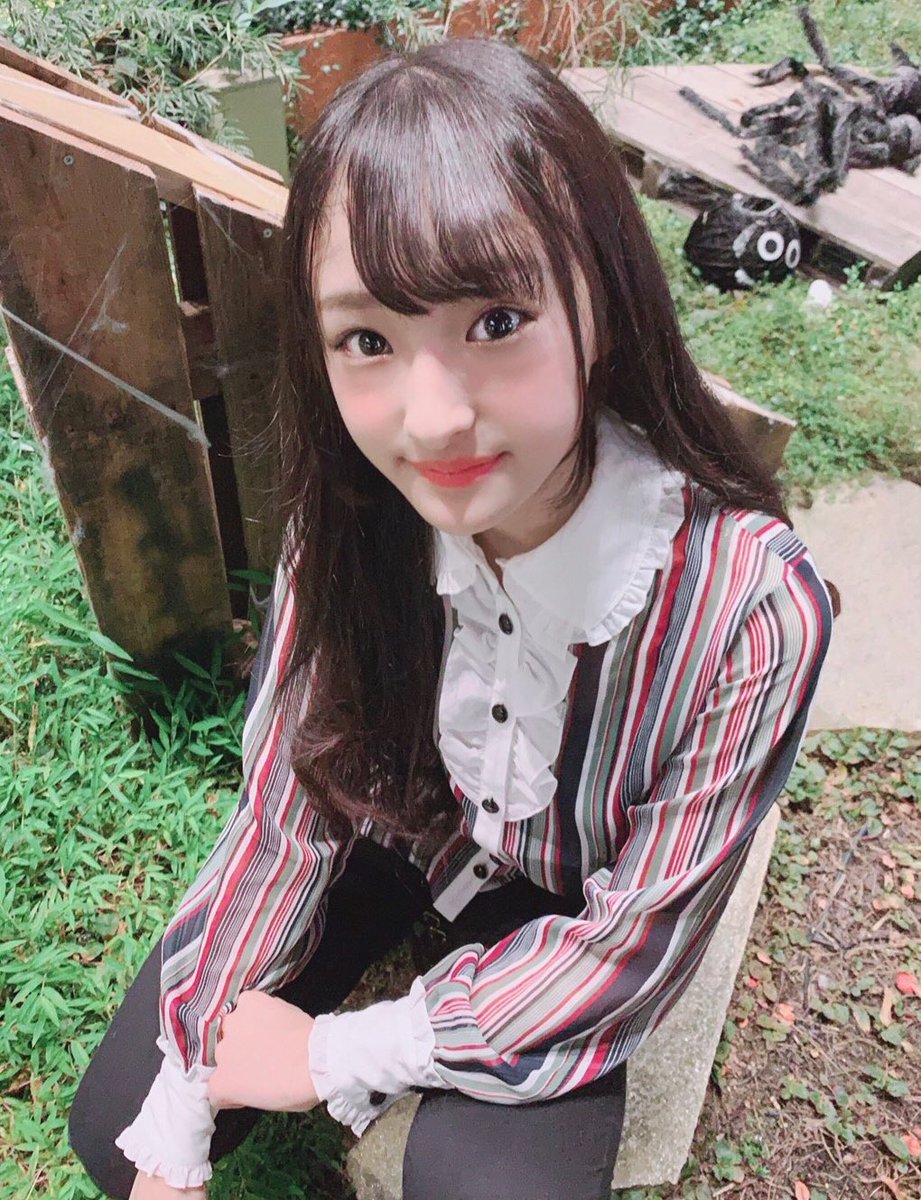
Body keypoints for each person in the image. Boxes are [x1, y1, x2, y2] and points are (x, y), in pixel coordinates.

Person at [68, 35, 834, 1200]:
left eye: (495, 321)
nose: (430, 421)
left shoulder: (751, 611)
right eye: (368, 340)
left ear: (601, 302)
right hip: (403, 830)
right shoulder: (353, 522)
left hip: (568, 900)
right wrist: (185, 1095)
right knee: (117, 1124)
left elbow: (635, 943)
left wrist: (334, 1055)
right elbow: (288, 813)